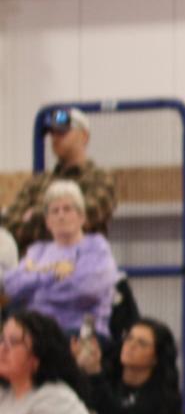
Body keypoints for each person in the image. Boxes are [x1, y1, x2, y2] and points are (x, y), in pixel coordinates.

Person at [0, 180, 119, 338]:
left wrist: (35, 275)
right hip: (38, 334)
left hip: (80, 333)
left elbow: (85, 290)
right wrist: (53, 273)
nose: (61, 215)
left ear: (81, 217)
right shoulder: (38, 250)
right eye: (54, 211)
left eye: (67, 209)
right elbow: (11, 287)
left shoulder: (96, 247)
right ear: (47, 222)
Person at [6, 107, 117, 248]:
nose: (55, 137)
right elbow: (9, 225)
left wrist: (33, 216)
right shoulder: (37, 182)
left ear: (84, 136)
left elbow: (84, 217)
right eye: (52, 133)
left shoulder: (101, 179)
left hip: (82, 266)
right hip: (35, 267)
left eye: (62, 132)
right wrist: (62, 219)